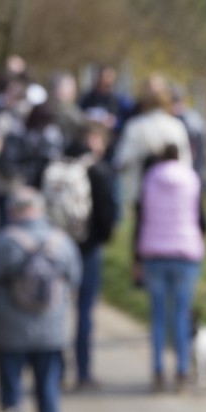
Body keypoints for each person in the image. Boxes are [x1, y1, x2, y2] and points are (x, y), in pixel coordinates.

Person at [0, 187, 81, 412]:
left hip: (10, 333)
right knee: (48, 391)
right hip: (52, 332)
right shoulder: (61, 242)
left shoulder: (3, 242)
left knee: (10, 391)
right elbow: (75, 279)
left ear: (13, 210)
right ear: (40, 209)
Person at [137, 143, 205, 392]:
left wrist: (137, 255)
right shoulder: (191, 178)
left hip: (154, 252)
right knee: (181, 313)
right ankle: (182, 371)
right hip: (185, 252)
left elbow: (140, 215)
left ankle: (157, 370)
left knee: (157, 315)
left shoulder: (150, 179)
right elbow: (200, 215)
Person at [67, 122, 118, 389]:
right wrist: (102, 238)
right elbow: (107, 213)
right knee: (84, 312)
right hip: (88, 249)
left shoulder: (59, 164)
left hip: (58, 248)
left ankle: (58, 369)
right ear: (95, 140)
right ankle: (83, 371)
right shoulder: (98, 171)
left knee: (59, 309)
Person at [114, 74, 192, 208]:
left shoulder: (135, 126)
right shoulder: (176, 126)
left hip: (142, 192)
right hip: (172, 191)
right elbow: (186, 163)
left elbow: (121, 160)